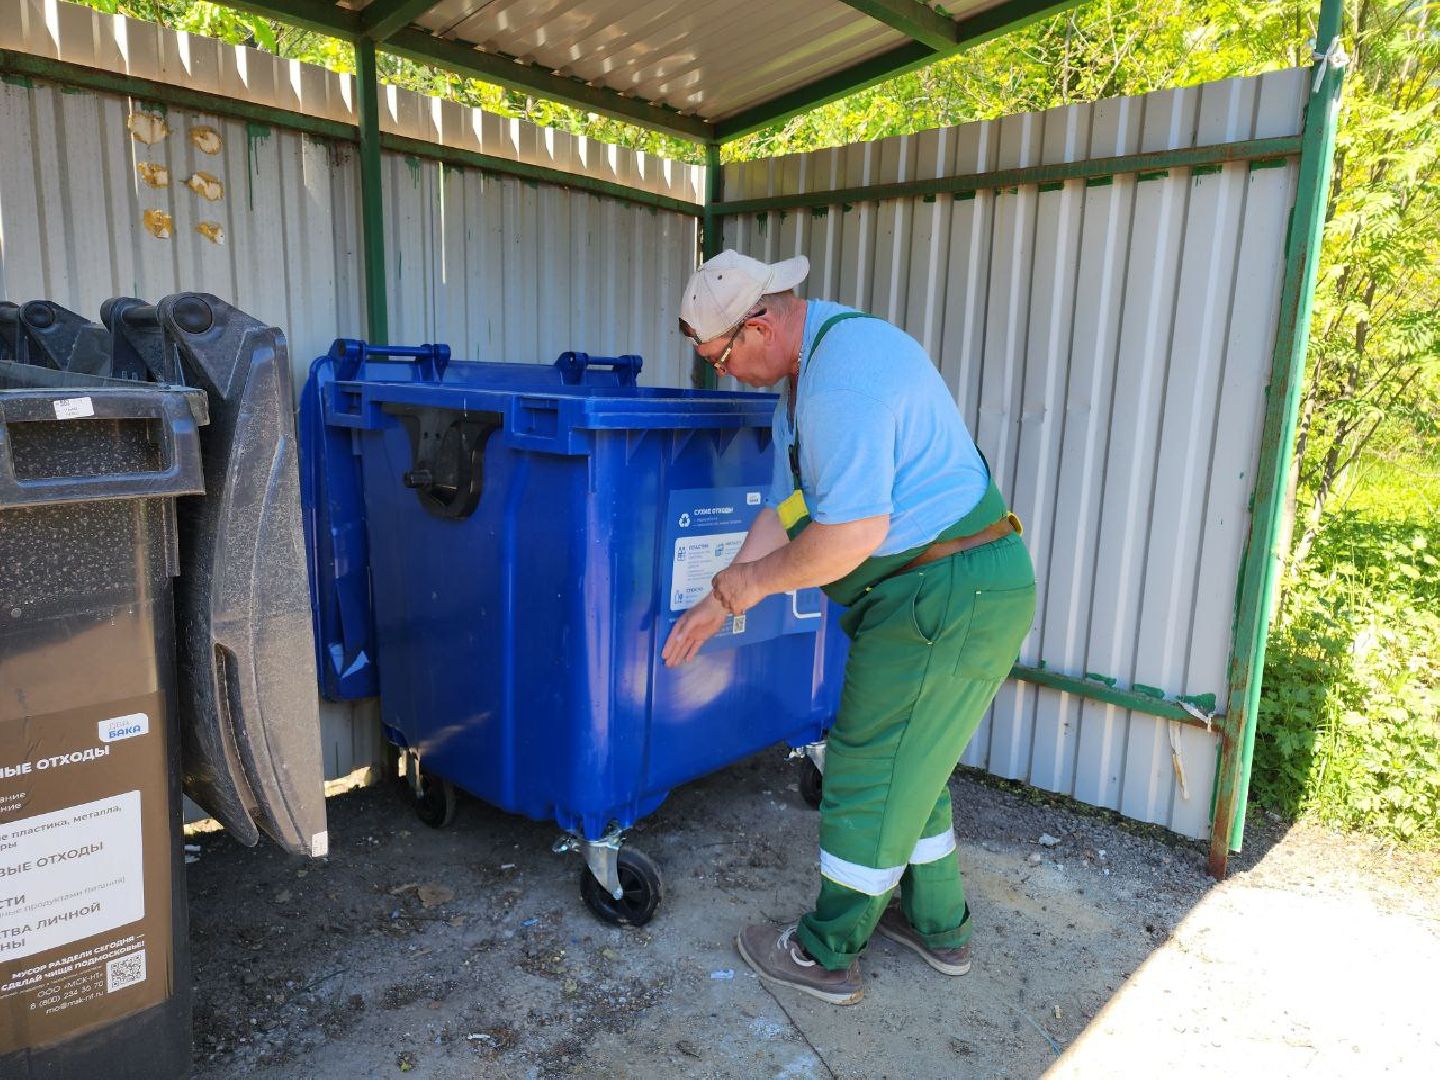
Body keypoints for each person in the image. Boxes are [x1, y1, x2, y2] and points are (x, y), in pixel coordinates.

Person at [662, 250, 1036, 1006]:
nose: (723, 373)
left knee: (865, 768)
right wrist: (720, 598)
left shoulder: (840, 384)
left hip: (941, 593)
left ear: (760, 325)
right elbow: (784, 512)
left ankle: (826, 950)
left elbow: (850, 535)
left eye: (722, 357)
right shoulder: (809, 376)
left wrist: (752, 586)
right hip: (942, 589)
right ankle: (938, 925)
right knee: (911, 768)